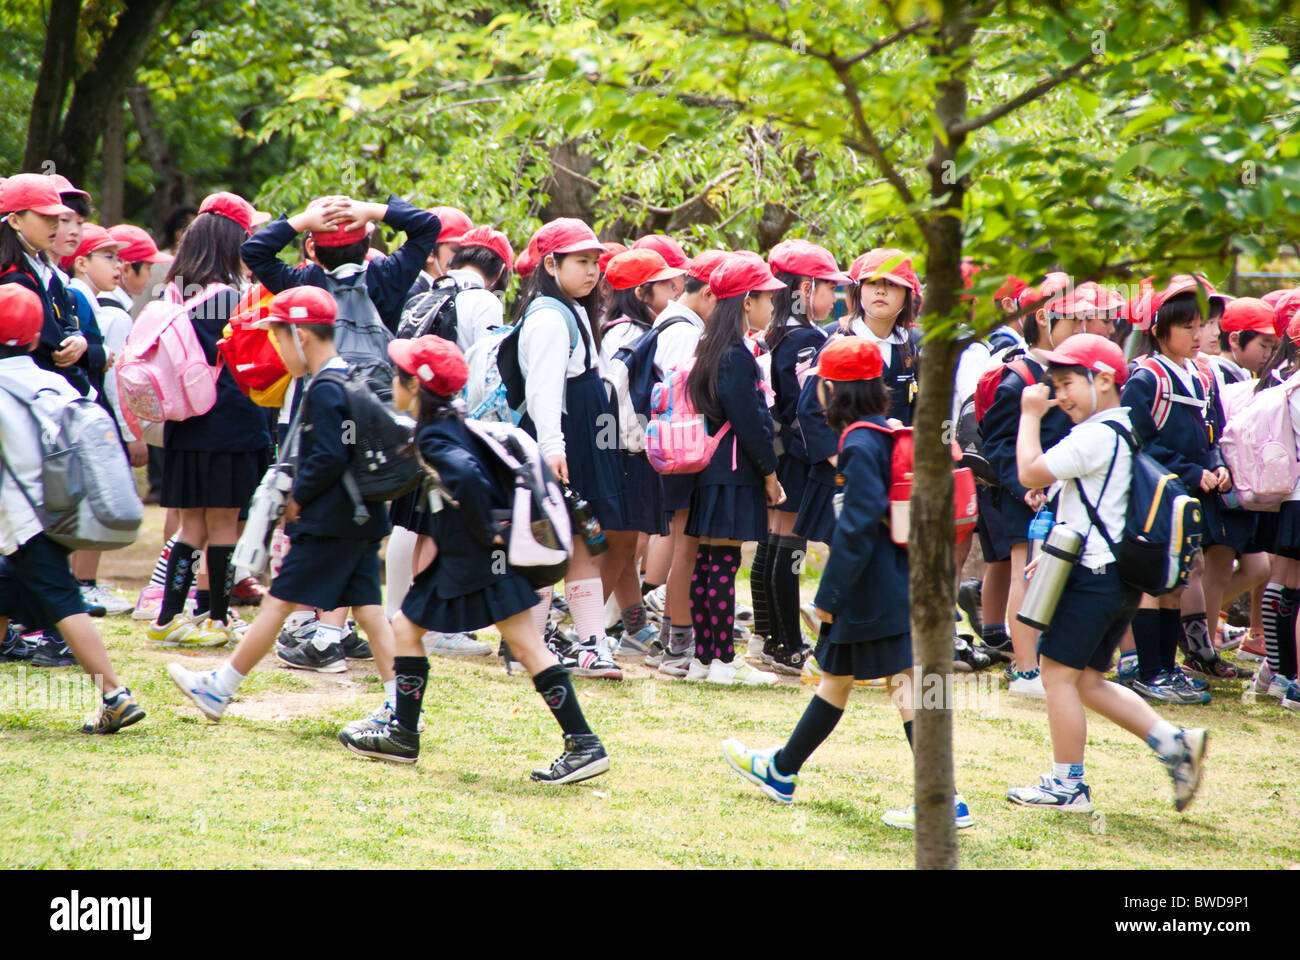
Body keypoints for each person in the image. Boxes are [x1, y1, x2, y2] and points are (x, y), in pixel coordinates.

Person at [722, 337, 973, 828]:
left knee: (901, 687)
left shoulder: (858, 445)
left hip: (868, 589)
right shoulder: (883, 433)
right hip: (893, 581)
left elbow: (855, 530)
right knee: (838, 681)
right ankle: (782, 770)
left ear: (830, 390)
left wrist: (827, 599)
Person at [338, 334, 611, 782]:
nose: (394, 382)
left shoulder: (439, 440)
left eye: (400, 376)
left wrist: (484, 532)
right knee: (505, 643)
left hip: (474, 564)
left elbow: (465, 477)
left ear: (418, 387)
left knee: (429, 631)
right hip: (478, 561)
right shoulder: (450, 422)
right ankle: (582, 743)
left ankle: (405, 734)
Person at [167, 286, 399, 719]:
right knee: (368, 609)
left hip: (328, 521)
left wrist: (298, 500)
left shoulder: (326, 387)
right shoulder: (347, 377)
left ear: (301, 336)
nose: (275, 347)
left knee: (277, 604)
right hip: (359, 518)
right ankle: (402, 704)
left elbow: (330, 454)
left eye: (277, 336)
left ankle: (220, 688)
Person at [1006, 333, 1208, 813]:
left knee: (1057, 675)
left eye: (1068, 382)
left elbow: (1030, 472)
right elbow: (1093, 507)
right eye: (1053, 385)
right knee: (1087, 680)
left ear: (1104, 380)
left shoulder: (1096, 434)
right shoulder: (1119, 431)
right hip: (1113, 579)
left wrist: (1030, 414)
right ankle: (1174, 742)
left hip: (1092, 580)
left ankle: (1068, 786)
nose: (1060, 395)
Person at [0, 284, 145, 733]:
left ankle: (115, 695)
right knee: (6, 587)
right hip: (61, 512)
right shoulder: (52, 381)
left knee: (64, 600)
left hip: (24, 520)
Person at [145, 192, 272, 648]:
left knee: (190, 526)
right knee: (222, 527)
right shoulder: (230, 299)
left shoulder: (176, 290)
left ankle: (169, 617)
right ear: (231, 239)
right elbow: (247, 365)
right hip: (229, 427)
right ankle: (218, 618)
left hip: (186, 423)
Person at [514, 218, 628, 679]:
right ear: (550, 263)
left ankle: (589, 645)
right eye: (581, 261)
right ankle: (531, 647)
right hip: (563, 438)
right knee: (548, 543)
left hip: (580, 435)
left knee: (584, 540)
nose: (592, 270)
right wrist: (552, 447)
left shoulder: (572, 308)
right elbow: (543, 390)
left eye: (595, 261)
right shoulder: (547, 315)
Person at [1122, 276, 1240, 702]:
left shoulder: (1204, 377)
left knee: (1178, 578)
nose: (1199, 335)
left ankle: (1167, 669)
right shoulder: (1145, 377)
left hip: (1190, 496)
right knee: (1155, 580)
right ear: (1158, 329)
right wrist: (1193, 471)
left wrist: (1218, 465)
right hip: (1156, 498)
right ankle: (1148, 671)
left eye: (1202, 324)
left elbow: (1214, 434)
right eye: (1187, 326)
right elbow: (1140, 441)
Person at [682, 251, 785, 685]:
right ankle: (722, 659)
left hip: (712, 471)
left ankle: (705, 659)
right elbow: (751, 422)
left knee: (708, 564)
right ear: (747, 301)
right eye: (767, 298)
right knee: (722, 566)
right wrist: (770, 474)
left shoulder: (710, 346)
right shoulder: (736, 355)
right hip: (734, 470)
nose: (773, 307)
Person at [978, 274, 1082, 696]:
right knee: (1026, 570)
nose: (1083, 329)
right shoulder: (1019, 375)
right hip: (1026, 496)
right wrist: (1025, 487)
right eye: (1073, 320)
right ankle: (1024, 670)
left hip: (1064, 492)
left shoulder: (1072, 370)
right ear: (1043, 317)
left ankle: (1046, 662)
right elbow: (998, 445)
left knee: (1056, 573)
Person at [756, 239, 849, 674]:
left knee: (773, 544)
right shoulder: (808, 338)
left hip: (774, 449)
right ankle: (789, 645)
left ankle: (768, 638)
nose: (836, 298)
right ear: (806, 288)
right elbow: (800, 403)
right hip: (796, 453)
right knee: (789, 547)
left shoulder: (771, 330)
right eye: (830, 287)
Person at [597, 248, 685, 653]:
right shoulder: (628, 333)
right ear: (641, 291)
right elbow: (616, 397)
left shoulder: (620, 328)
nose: (676, 289)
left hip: (621, 450)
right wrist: (637, 442)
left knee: (626, 544)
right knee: (619, 545)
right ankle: (588, 631)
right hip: (624, 452)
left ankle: (635, 627)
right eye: (667, 284)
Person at [644, 249, 727, 677]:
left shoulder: (673, 321)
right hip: (681, 451)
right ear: (711, 294)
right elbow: (683, 400)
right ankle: (677, 646)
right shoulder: (684, 331)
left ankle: (667, 641)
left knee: (682, 546)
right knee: (685, 549)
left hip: (671, 449)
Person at [241, 194, 440, 335]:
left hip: (322, 388)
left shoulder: (306, 284)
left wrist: (303, 221)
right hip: (378, 389)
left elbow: (253, 251)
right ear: (367, 243)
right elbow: (428, 225)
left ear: (313, 249)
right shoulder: (385, 276)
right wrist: (371, 209)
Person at [0, 175, 89, 395]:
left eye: (57, 217)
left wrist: (78, 338)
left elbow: (67, 323)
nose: (54, 224)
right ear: (15, 221)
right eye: (43, 216)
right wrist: (88, 393)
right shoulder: (14, 278)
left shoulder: (47, 271)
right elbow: (54, 349)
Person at [407, 206, 473, 298]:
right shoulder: (410, 293)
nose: (464, 257)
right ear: (430, 253)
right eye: (457, 250)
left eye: (468, 251)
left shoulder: (453, 292)